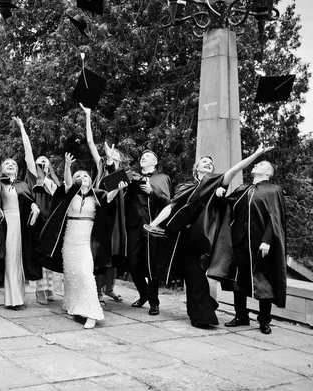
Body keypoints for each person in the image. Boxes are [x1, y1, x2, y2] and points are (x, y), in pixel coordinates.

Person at [146, 144, 274, 328]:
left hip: (206, 239)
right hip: (184, 239)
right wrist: (154, 224)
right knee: (192, 277)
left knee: (197, 275)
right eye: (203, 162)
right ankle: (205, 308)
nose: (207, 164)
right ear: (196, 168)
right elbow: (171, 207)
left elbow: (235, 169)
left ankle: (203, 317)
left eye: (210, 164)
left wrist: (255, 154)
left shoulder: (216, 182)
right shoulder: (185, 186)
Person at [38, 153, 122, 329]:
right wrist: (67, 166)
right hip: (69, 239)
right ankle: (72, 304)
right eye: (78, 176)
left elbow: (110, 196)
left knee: (85, 274)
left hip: (86, 242)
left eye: (85, 176)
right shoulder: (70, 194)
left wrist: (118, 186)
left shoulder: (98, 195)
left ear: (91, 181)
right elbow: (68, 182)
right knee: (71, 274)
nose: (82, 178)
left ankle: (92, 312)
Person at [216, 160, 287, 335]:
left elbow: (275, 217)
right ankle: (241, 316)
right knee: (238, 280)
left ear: (268, 173)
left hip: (261, 244)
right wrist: (220, 195)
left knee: (264, 281)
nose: (256, 165)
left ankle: (264, 320)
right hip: (239, 242)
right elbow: (227, 207)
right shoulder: (242, 189)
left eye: (261, 164)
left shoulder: (273, 190)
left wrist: (267, 240)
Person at [0, 135, 41, 309]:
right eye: (7, 163)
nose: (10, 164)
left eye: (13, 163)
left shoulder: (24, 184)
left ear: (17, 169)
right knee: (11, 259)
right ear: (2, 169)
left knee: (20, 260)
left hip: (24, 225)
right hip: (8, 223)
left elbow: (29, 200)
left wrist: (22, 130)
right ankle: (12, 299)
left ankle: (20, 297)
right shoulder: (0, 183)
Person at [13, 116, 61, 305]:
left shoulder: (53, 181)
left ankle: (49, 289)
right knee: (40, 254)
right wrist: (22, 128)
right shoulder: (34, 178)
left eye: (45, 160)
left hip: (51, 220)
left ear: (49, 165)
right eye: (39, 160)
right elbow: (28, 152)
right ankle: (40, 291)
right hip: (38, 220)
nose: (41, 162)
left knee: (50, 254)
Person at [82, 103, 125, 305]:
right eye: (109, 154)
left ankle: (109, 288)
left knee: (112, 254)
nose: (110, 156)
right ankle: (97, 292)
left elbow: (117, 196)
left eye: (114, 155)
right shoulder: (100, 167)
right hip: (99, 215)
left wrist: (114, 162)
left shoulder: (120, 174)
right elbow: (90, 141)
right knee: (98, 253)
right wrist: (88, 115)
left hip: (115, 218)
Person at [124, 150, 172, 315]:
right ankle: (143, 293)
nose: (143, 157)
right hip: (133, 225)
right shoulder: (131, 175)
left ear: (155, 161)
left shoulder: (162, 178)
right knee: (131, 263)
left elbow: (168, 202)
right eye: (142, 156)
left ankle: (154, 302)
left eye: (148, 156)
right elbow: (111, 183)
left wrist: (152, 192)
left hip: (152, 225)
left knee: (151, 264)